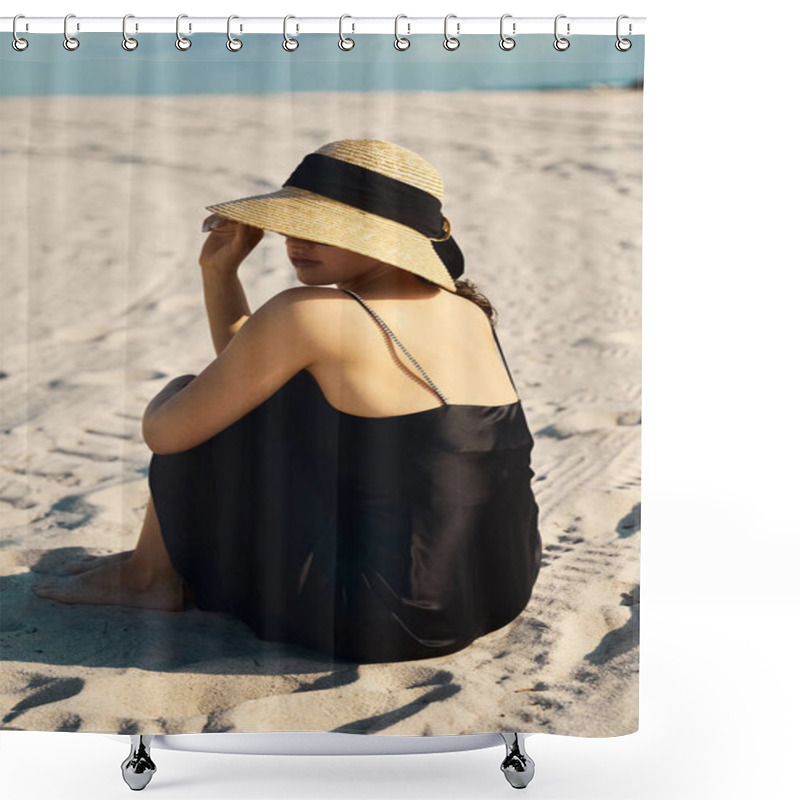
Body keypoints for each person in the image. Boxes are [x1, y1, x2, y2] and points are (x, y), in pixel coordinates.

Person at [34, 139, 542, 664]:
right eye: (292, 223)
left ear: (383, 237)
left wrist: (176, 389)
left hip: (383, 616)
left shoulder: (311, 311)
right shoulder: (466, 309)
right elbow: (254, 374)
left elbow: (168, 434)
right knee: (242, 401)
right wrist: (220, 274)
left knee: (193, 401)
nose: (295, 241)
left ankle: (148, 578)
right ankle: (154, 567)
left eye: (321, 226)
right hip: (496, 585)